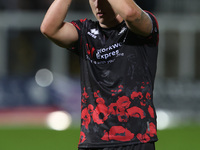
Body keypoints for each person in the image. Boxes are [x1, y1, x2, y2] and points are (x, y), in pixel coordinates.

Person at [41, 0, 159, 150]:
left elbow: (130, 13)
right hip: (94, 141)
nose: (97, 4)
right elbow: (48, 28)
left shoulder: (143, 27)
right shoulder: (85, 31)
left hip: (136, 139)